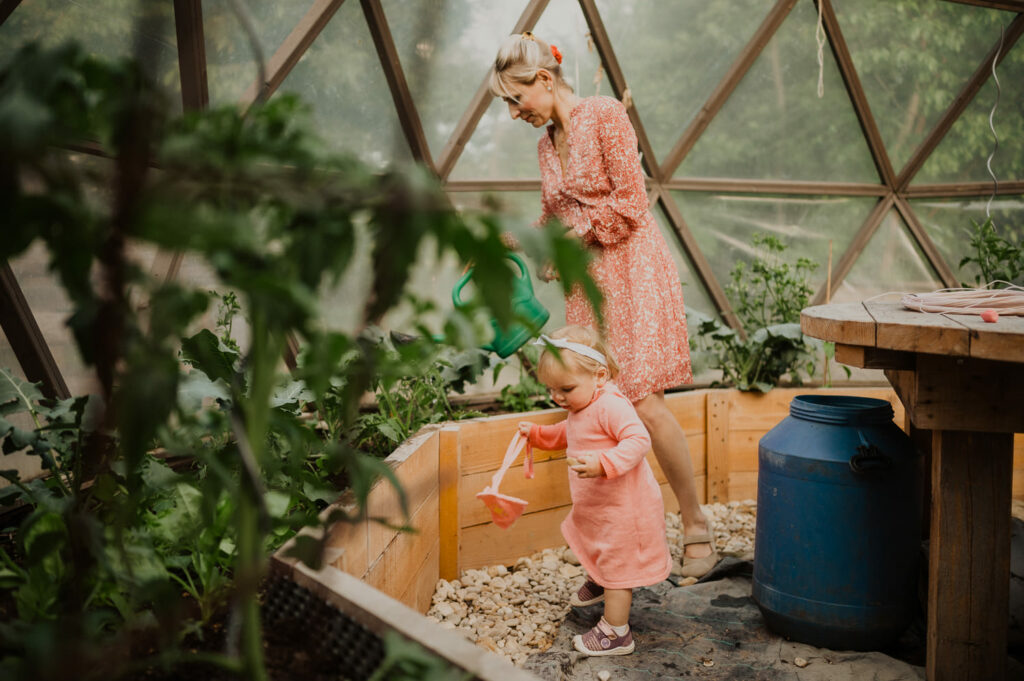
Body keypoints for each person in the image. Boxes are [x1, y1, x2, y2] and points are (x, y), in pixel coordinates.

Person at [490, 32, 718, 578]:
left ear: (544, 80)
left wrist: (570, 240)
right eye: (506, 103)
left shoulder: (605, 114)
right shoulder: (547, 145)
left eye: (515, 97)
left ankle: (696, 526)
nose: (513, 110)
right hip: (588, 281)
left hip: (631, 266)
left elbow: (632, 204)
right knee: (600, 400)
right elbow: (554, 215)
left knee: (642, 400)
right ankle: (623, 542)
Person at [518, 326, 669, 656]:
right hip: (602, 506)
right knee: (597, 544)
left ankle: (617, 633)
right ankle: (600, 579)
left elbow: (638, 440)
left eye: (566, 388)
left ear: (600, 376)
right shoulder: (581, 406)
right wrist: (537, 435)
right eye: (551, 389)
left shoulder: (611, 406)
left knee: (618, 566)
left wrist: (604, 463)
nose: (557, 397)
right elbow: (567, 433)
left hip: (626, 508)